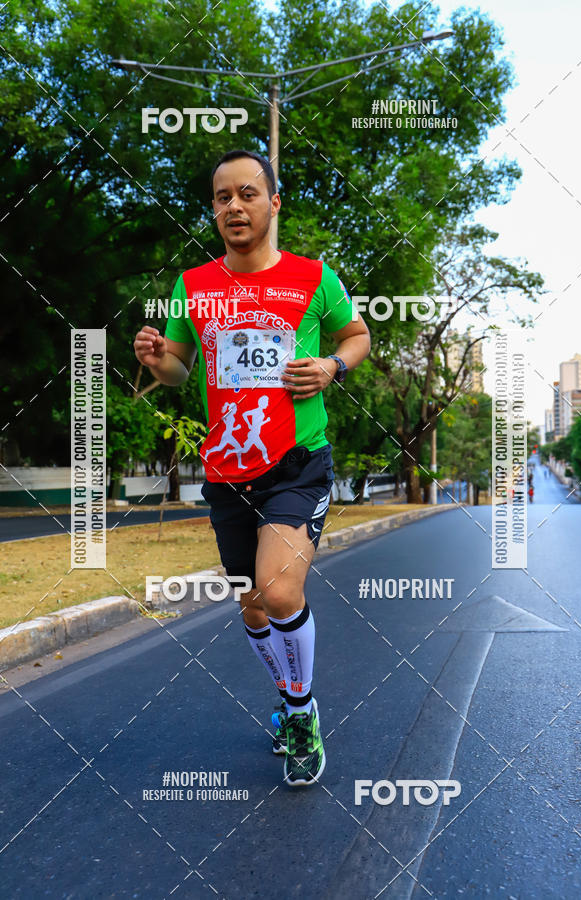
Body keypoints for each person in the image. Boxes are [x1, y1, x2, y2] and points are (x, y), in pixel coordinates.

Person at [133, 149, 370, 787]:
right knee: (252, 606)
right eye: (220, 198)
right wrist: (158, 359)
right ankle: (294, 696)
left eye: (246, 193)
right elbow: (181, 370)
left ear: (274, 203)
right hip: (227, 468)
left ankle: (299, 713)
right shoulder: (194, 285)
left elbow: (357, 336)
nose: (233, 206)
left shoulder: (314, 278)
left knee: (280, 590)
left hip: (296, 462)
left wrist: (331, 367)